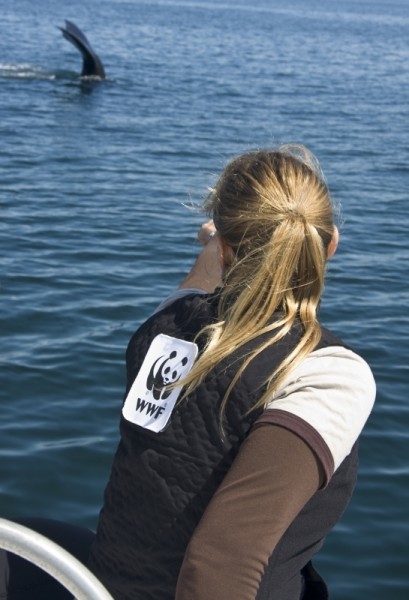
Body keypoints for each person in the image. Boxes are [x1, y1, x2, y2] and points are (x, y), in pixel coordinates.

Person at [0, 145, 375, 600]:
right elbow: (222, 559)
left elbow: (198, 286)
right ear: (330, 244)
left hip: (106, 582)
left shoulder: (165, 329)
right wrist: (228, 241)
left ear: (225, 246)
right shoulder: (327, 376)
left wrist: (219, 242)